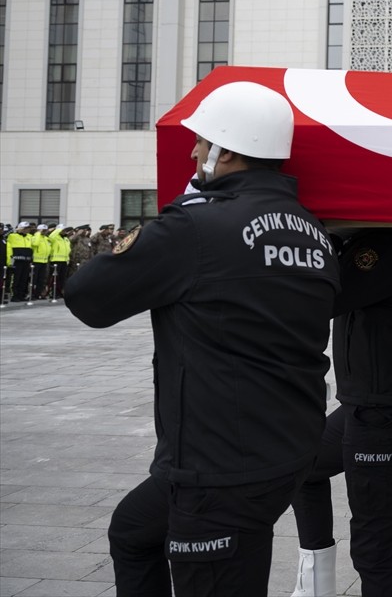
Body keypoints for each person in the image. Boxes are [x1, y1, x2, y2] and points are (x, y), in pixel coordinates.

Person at [65, 81, 341, 597]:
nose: (193, 152)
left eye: (200, 141)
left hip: (219, 466)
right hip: (286, 446)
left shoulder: (194, 226)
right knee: (133, 530)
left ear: (226, 151)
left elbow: (87, 298)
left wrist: (179, 216)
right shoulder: (312, 229)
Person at [289, 226, 392, 597]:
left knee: (375, 550)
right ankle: (315, 586)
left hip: (387, 411)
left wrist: (315, 237)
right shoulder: (378, 233)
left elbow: (321, 298)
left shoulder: (389, 239)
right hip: (376, 400)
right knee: (305, 466)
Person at [6, 222, 33, 303]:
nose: (27, 230)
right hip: (17, 261)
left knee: (24, 279)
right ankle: (14, 295)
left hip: (26, 260)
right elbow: (5, 236)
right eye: (25, 228)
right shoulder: (12, 236)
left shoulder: (30, 236)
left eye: (28, 228)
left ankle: (21, 295)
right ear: (20, 228)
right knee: (16, 279)